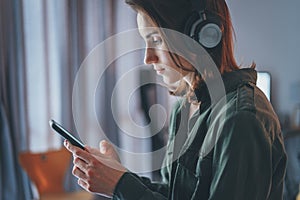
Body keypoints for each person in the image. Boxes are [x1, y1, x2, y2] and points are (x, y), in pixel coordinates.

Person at [64, 0, 287, 199]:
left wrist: (121, 186)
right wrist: (118, 176)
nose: (148, 57)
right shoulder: (185, 108)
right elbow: (176, 194)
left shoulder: (242, 119)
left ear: (202, 35)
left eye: (156, 39)